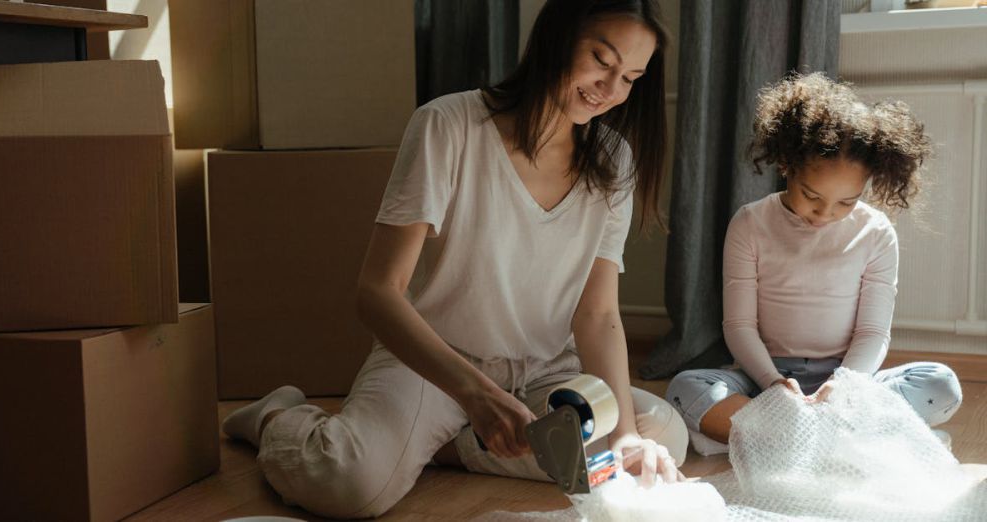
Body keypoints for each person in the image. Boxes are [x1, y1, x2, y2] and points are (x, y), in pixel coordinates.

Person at [221, 0, 689, 517]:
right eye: (602, 60)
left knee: (658, 435)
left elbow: (597, 314)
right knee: (350, 485)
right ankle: (276, 417)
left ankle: (446, 447)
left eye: (630, 77)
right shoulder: (449, 124)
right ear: (557, 37)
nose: (610, 89)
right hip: (435, 365)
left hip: (543, 376)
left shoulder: (613, 159)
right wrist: (475, 395)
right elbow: (376, 292)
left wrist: (622, 436)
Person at [666, 72, 963, 456]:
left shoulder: (876, 232)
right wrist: (773, 383)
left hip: (848, 381)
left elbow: (873, 332)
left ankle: (783, 439)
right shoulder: (750, 223)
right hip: (766, 380)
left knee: (940, 385)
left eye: (846, 202)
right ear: (787, 166)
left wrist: (842, 385)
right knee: (686, 387)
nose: (824, 214)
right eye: (811, 196)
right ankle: (841, 440)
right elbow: (739, 326)